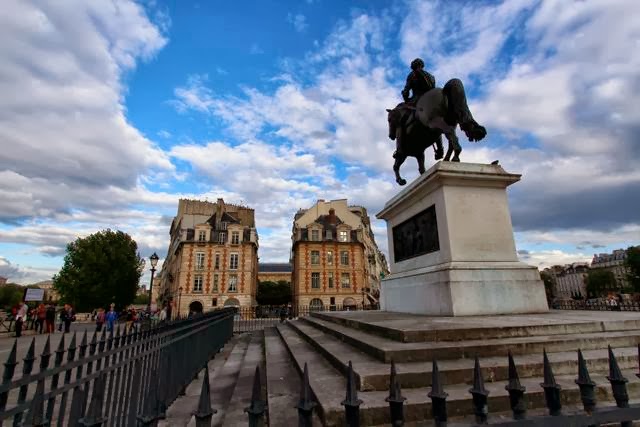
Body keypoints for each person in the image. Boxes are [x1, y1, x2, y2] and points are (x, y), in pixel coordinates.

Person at [395, 57, 443, 160]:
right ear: (422, 65)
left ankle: (399, 149)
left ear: (413, 67)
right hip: (430, 101)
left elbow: (406, 90)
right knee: (436, 122)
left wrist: (405, 96)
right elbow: (432, 88)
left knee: (400, 121)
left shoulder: (412, 75)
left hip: (416, 101)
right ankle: (440, 149)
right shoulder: (430, 75)